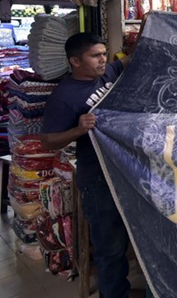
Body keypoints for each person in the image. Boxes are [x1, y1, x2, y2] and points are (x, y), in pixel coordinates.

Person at [41, 33, 133, 298]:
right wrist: (78, 129)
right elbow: (47, 141)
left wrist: (152, 25)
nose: (103, 59)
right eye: (95, 55)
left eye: (104, 53)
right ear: (75, 61)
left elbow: (132, 59)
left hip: (122, 170)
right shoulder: (64, 96)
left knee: (129, 238)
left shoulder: (107, 74)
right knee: (110, 247)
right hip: (97, 177)